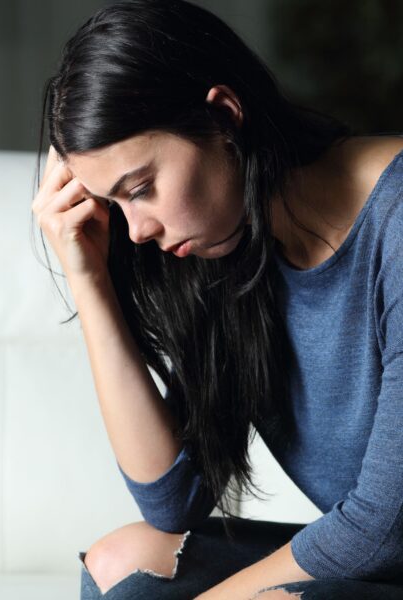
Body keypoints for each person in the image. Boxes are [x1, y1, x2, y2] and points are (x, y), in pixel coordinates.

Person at [30, 1, 403, 598]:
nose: (136, 231)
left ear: (225, 115)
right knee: (124, 561)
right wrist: (86, 274)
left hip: (387, 543)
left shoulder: (396, 218)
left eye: (143, 188)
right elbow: (172, 501)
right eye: (115, 203)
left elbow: (385, 528)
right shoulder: (229, 246)